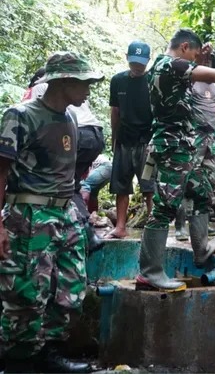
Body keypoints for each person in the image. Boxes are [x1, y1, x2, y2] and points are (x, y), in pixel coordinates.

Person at [0, 51, 103, 373]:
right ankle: (18, 360)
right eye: (83, 82)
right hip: (29, 215)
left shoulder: (70, 119)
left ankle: (51, 352)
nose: (88, 89)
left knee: (71, 289)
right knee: (26, 294)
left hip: (64, 215)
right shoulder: (20, 115)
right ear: (62, 81)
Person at [136, 29, 215, 292]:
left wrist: (199, 60)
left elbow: (192, 76)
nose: (194, 59)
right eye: (192, 54)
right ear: (183, 47)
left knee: (201, 191)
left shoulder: (166, 66)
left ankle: (200, 250)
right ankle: (150, 272)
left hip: (183, 144)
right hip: (171, 146)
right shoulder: (170, 64)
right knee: (165, 207)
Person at [30, 68, 106, 255]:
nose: (87, 92)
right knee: (71, 182)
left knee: (65, 182)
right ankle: (84, 233)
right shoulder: (48, 91)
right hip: (95, 134)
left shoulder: (42, 89)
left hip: (80, 131)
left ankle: (84, 233)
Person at [173, 50, 215, 241]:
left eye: (209, 59)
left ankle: (202, 224)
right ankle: (180, 225)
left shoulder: (214, 84)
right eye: (203, 58)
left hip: (211, 136)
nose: (206, 61)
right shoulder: (190, 78)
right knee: (186, 178)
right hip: (193, 135)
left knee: (207, 181)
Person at [106, 41, 155, 239]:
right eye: (134, 63)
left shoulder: (153, 81)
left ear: (148, 62)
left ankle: (154, 229)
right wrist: (114, 137)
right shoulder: (117, 80)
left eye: (141, 64)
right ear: (127, 57)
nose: (137, 68)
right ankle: (120, 227)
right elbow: (115, 111)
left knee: (149, 187)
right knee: (121, 185)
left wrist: (156, 141)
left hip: (147, 141)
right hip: (125, 139)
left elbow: (160, 113)